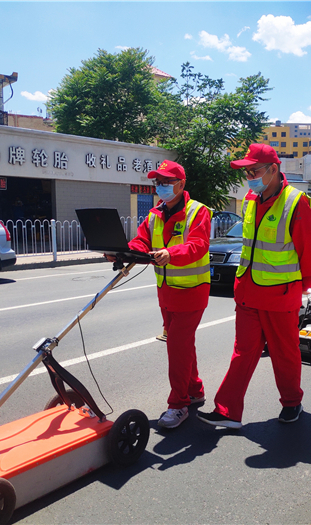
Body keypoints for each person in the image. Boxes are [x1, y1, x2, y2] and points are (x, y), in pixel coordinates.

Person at [198, 144, 311, 429]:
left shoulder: (295, 202)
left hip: (280, 294)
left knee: (285, 354)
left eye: (254, 171)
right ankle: (227, 411)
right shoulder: (252, 200)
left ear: (274, 170)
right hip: (248, 292)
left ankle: (292, 403)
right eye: (247, 172)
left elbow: (310, 252)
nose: (249, 177)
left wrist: (301, 288)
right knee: (243, 352)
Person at [126, 160, 212, 429]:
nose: (161, 187)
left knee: (177, 347)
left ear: (181, 184)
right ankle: (195, 391)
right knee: (183, 346)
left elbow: (197, 245)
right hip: (166, 293)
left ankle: (179, 405)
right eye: (158, 182)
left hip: (191, 292)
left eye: (166, 182)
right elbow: (141, 240)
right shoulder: (154, 215)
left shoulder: (198, 212)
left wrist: (170, 253)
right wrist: (124, 251)